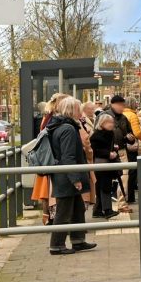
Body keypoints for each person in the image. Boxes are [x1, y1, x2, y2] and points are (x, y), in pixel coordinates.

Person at [46, 96, 97, 255]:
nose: (80, 112)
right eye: (78, 109)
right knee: (64, 211)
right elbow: (68, 156)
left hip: (65, 175)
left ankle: (78, 240)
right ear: (71, 111)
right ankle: (57, 245)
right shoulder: (67, 129)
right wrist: (75, 179)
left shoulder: (60, 126)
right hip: (67, 177)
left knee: (77, 208)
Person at [30, 93, 67, 225]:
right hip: (51, 158)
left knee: (45, 190)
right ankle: (50, 217)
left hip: (46, 158)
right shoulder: (54, 119)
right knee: (49, 190)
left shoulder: (47, 117)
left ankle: (47, 216)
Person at [89, 113, 120, 219]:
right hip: (102, 164)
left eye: (112, 122)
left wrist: (114, 150)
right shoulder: (97, 135)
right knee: (105, 186)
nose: (111, 124)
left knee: (101, 187)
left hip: (106, 163)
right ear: (102, 123)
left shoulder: (109, 133)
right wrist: (108, 154)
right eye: (108, 122)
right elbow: (94, 150)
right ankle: (107, 210)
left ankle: (97, 210)